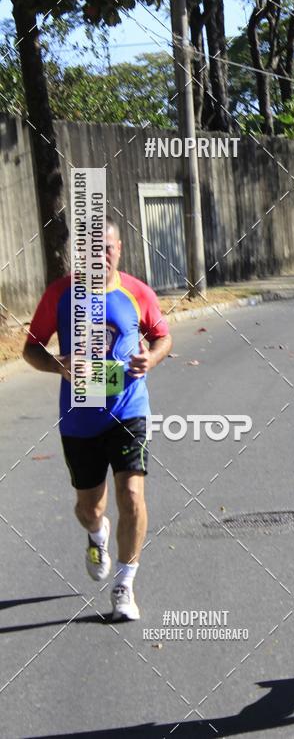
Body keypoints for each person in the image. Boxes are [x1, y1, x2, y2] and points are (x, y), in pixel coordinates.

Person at [23, 217, 172, 621]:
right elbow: (30, 349)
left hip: (128, 409)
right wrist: (58, 364)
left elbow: (162, 335)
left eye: (106, 249)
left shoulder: (136, 291)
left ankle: (124, 583)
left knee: (132, 497)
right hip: (79, 418)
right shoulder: (60, 294)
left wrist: (150, 358)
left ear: (119, 250)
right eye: (90, 250)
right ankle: (96, 534)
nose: (99, 257)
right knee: (90, 507)